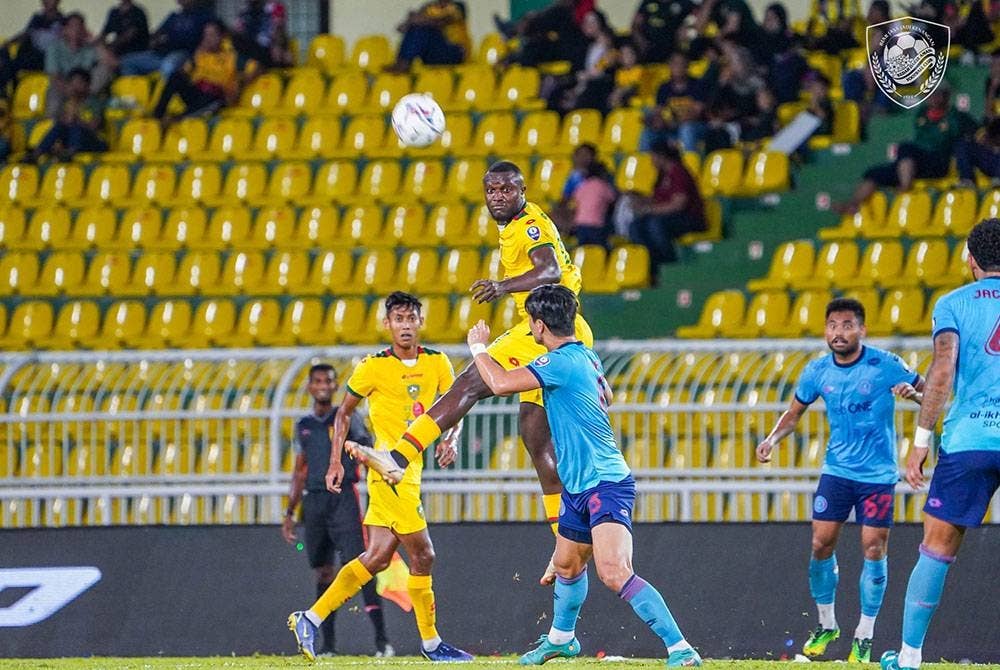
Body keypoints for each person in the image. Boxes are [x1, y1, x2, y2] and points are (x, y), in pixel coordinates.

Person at [348, 161, 594, 586]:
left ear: (522, 190)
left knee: (468, 382)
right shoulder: (515, 224)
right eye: (491, 189)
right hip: (559, 330)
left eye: (506, 189)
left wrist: (503, 286)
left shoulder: (528, 224)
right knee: (537, 442)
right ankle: (565, 547)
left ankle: (399, 456)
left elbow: (550, 270)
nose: (498, 196)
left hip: (543, 333)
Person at [465, 284, 702, 668]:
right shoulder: (586, 356)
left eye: (529, 323)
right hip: (579, 485)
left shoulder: (561, 362)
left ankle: (681, 648)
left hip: (604, 483)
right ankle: (561, 639)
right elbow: (605, 395)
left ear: (538, 326)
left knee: (614, 572)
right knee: (566, 565)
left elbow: (500, 383)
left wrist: (478, 347)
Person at [288, 292, 472, 663]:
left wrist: (451, 438)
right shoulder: (372, 367)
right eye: (398, 319)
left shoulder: (437, 363)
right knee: (424, 555)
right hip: (389, 471)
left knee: (376, 558)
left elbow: (456, 406)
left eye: (411, 318)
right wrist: (336, 462)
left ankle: (310, 618)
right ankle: (432, 644)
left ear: (420, 322)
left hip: (413, 466)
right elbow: (343, 415)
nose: (405, 325)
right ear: (387, 324)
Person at [756, 297, 925, 663]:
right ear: (825, 330)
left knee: (873, 548)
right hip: (836, 472)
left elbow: (927, 392)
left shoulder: (885, 364)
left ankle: (864, 634)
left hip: (877, 476)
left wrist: (915, 395)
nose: (839, 332)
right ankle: (826, 624)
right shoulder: (817, 371)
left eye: (847, 325)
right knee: (820, 544)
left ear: (862, 330)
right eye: (833, 325)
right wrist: (771, 439)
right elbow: (794, 412)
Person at [880, 218, 1000, 670]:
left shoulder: (952, 304)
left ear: (970, 259)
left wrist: (920, 440)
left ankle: (909, 656)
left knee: (938, 545)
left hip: (969, 439)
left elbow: (943, 371)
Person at [282, 363, 392, 658]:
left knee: (362, 565)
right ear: (309, 386)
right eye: (317, 381)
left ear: (334, 386)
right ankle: (326, 645)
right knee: (323, 571)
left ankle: (382, 643)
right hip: (314, 502)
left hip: (343, 498)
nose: (322, 386)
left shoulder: (346, 418)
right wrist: (290, 512)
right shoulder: (303, 425)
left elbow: (367, 449)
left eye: (328, 381)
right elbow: (300, 469)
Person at [836, 86, 977, 214]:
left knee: (907, 149)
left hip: (937, 161)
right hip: (915, 164)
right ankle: (853, 204)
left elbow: (976, 132)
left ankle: (905, 187)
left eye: (936, 94)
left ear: (945, 96)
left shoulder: (956, 116)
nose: (932, 97)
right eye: (929, 94)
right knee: (875, 173)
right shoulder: (922, 113)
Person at [629, 142, 706, 283]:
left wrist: (649, 209)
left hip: (689, 218)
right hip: (668, 218)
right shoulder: (661, 176)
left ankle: (668, 264)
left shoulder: (678, 172)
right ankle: (652, 265)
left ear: (661, 156)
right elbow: (658, 199)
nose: (651, 160)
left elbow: (679, 204)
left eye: (652, 156)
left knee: (655, 224)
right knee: (636, 226)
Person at [151, 21, 255, 120]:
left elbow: (256, 67)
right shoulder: (199, 55)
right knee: (175, 77)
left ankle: (182, 117)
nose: (208, 39)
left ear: (222, 37)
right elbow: (185, 72)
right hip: (198, 92)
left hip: (217, 95)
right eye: (206, 35)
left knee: (212, 96)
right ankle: (158, 114)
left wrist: (241, 84)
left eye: (212, 35)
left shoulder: (232, 57)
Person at [119, 0, 216, 80]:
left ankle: (162, 99)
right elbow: (156, 34)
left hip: (184, 55)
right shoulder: (173, 16)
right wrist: (154, 41)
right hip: (161, 54)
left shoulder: (204, 17)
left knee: (168, 65)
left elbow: (212, 37)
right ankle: (133, 96)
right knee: (128, 62)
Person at [27, 68, 106, 162]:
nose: (75, 87)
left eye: (79, 83)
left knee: (75, 126)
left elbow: (94, 127)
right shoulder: (68, 102)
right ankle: (37, 153)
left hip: (94, 142)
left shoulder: (94, 102)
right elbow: (64, 125)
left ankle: (70, 152)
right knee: (59, 126)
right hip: (73, 140)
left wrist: (76, 120)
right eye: (73, 83)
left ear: (87, 85)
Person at [44, 13, 114, 119]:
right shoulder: (54, 48)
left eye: (80, 26)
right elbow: (54, 76)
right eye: (72, 26)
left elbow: (113, 64)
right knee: (54, 97)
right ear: (65, 29)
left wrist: (97, 43)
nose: (76, 30)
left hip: (86, 88)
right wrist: (70, 90)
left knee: (105, 69)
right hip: (63, 86)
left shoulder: (89, 47)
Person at [0, 0, 64, 97]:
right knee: (5, 53)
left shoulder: (63, 21)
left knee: (11, 66)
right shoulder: (37, 18)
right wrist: (9, 43)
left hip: (47, 59)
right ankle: (6, 92)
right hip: (32, 55)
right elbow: (27, 33)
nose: (46, 2)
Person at [388, 0, 470, 72]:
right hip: (431, 54)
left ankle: (403, 63)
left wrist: (417, 19)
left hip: (454, 53)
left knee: (423, 28)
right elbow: (401, 28)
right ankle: (402, 62)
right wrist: (411, 21)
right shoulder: (428, 7)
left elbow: (442, 22)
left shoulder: (458, 7)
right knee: (417, 29)